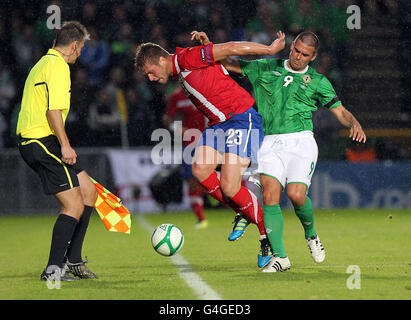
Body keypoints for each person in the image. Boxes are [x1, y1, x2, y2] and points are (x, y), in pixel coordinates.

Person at [135, 31, 286, 268]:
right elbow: (213, 68)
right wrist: (208, 47)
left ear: (162, 60)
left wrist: (268, 49)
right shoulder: (183, 67)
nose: (151, 79)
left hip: (240, 117)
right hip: (218, 125)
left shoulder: (187, 58)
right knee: (200, 170)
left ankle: (266, 237)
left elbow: (232, 46)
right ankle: (242, 210)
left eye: (151, 73)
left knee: (229, 185)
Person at [222, 31, 367, 272]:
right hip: (269, 142)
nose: (298, 56)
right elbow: (228, 64)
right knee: (269, 194)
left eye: (305, 54)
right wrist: (210, 49)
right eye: (296, 50)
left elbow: (340, 112)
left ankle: (311, 235)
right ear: (291, 47)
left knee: (297, 195)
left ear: (313, 57)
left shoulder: (318, 81)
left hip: (300, 141)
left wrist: (354, 122)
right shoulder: (265, 67)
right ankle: (280, 258)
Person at [16, 21, 98, 281]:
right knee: (73, 204)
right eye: (81, 47)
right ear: (74, 45)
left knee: (89, 191)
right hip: (40, 140)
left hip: (37, 139)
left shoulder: (43, 62)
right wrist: (65, 144)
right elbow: (53, 111)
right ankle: (53, 270)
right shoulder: (58, 66)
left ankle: (73, 260)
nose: (81, 52)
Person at [163, 86, 208, 229]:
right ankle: (201, 218)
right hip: (189, 144)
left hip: (210, 141)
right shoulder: (176, 96)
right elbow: (168, 118)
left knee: (208, 178)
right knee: (191, 180)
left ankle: (211, 194)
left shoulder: (204, 90)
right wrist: (177, 129)